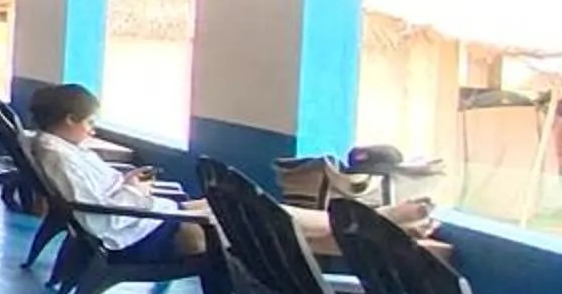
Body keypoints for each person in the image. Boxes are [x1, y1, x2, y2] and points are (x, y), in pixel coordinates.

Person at [26, 82, 436, 263]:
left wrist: (129, 184)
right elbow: (102, 213)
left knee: (257, 214)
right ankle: (379, 225)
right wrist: (135, 193)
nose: (93, 129)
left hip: (149, 216)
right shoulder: (60, 155)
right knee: (261, 220)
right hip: (141, 231)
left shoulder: (59, 147)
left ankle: (378, 227)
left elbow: (99, 198)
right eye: (89, 122)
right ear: (68, 119)